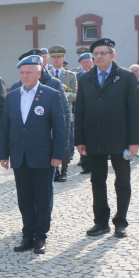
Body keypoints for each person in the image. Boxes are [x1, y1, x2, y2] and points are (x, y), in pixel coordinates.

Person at [75, 38, 139, 238]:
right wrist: (79, 140)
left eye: (103, 53)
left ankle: (120, 221)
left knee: (122, 181)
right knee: (97, 180)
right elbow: (80, 111)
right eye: (96, 54)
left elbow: (134, 111)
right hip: (94, 137)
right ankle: (101, 222)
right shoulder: (85, 78)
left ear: (113, 55)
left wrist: (134, 141)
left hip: (120, 138)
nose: (99, 57)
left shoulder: (126, 76)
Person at [0, 54, 66, 255]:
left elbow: (60, 128)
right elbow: (5, 127)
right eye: (22, 73)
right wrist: (4, 154)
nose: (24, 76)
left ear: (39, 74)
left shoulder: (51, 95)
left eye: (28, 72)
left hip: (43, 155)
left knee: (43, 197)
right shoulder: (12, 96)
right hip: (19, 155)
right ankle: (27, 235)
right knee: (25, 198)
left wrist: (58, 154)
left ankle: (41, 236)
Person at [48, 45, 77, 182]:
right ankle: (55, 170)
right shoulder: (45, 74)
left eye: (59, 57)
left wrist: (64, 94)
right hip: (49, 113)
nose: (56, 59)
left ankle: (64, 170)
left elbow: (75, 95)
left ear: (63, 58)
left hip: (65, 112)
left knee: (65, 142)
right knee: (50, 140)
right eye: (53, 57)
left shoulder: (70, 75)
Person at [75, 52, 94, 174]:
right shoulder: (77, 76)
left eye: (88, 62)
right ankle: (85, 162)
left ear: (92, 62)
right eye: (83, 62)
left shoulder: (97, 74)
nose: (86, 64)